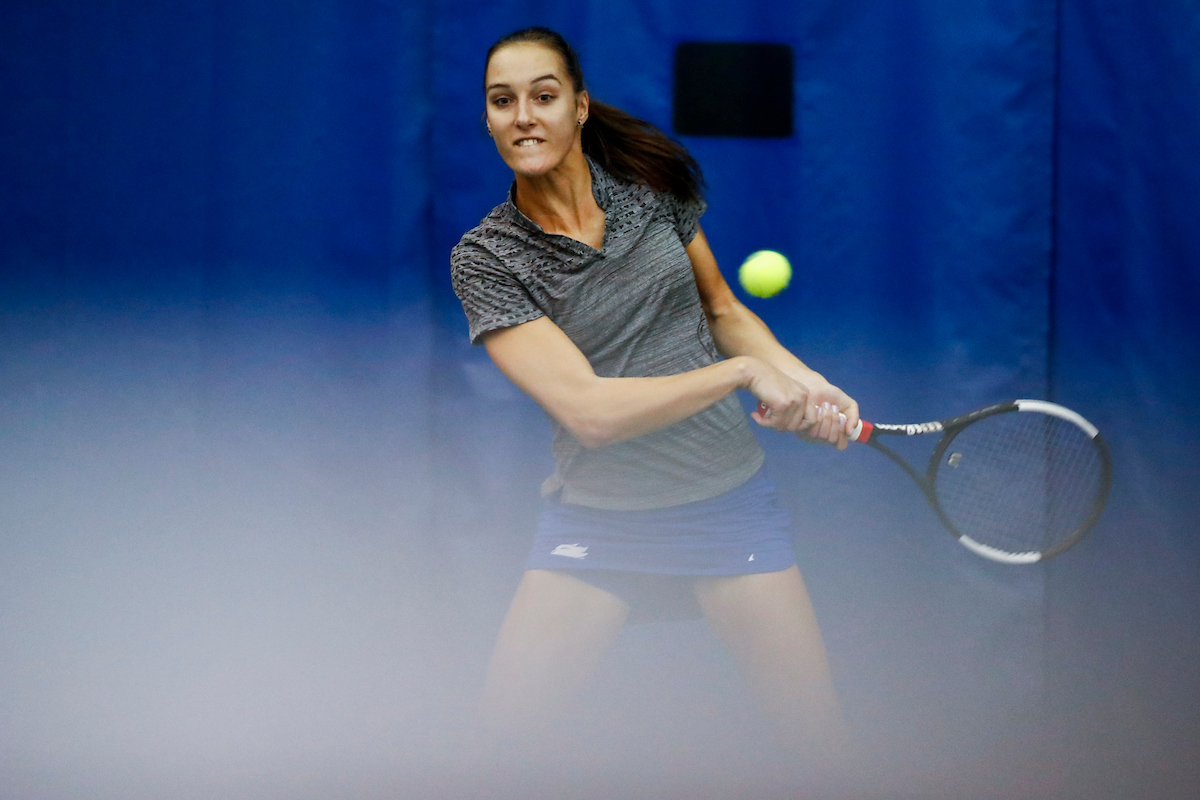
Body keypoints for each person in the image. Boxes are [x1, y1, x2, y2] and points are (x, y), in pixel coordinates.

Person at [450, 27, 859, 759]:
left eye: (544, 96)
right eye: (503, 101)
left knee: (817, 740)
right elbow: (590, 413)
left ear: (579, 106)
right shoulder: (487, 259)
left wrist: (810, 384)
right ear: (487, 118)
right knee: (499, 746)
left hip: (725, 503)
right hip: (601, 516)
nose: (524, 117)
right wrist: (742, 376)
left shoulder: (650, 190)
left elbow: (722, 310)